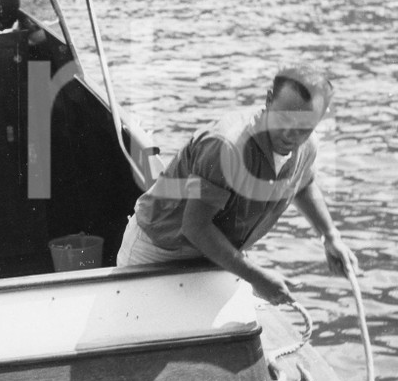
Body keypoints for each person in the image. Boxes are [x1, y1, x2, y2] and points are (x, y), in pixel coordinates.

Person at [116, 64, 357, 305]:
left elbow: (303, 184)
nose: (290, 136)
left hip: (213, 252)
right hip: (158, 248)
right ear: (269, 99)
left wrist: (329, 235)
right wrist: (257, 277)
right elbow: (196, 227)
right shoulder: (226, 146)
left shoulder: (307, 146)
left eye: (304, 128)